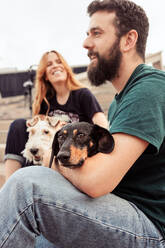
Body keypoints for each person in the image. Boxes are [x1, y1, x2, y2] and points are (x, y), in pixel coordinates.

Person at [1, 0, 165, 247]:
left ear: (128, 40)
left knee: (26, 189)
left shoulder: (149, 88)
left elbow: (97, 180)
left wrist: (51, 158)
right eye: (87, 34)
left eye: (96, 33)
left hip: (147, 226)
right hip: (117, 208)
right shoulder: (122, 100)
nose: (86, 43)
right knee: (35, 238)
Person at [3, 50, 108, 248]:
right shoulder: (45, 102)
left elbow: (100, 122)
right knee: (18, 125)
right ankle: (9, 193)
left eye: (58, 61)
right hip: (46, 159)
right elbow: (35, 135)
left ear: (66, 68)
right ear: (44, 74)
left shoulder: (82, 95)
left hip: (72, 159)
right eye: (49, 64)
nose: (55, 66)